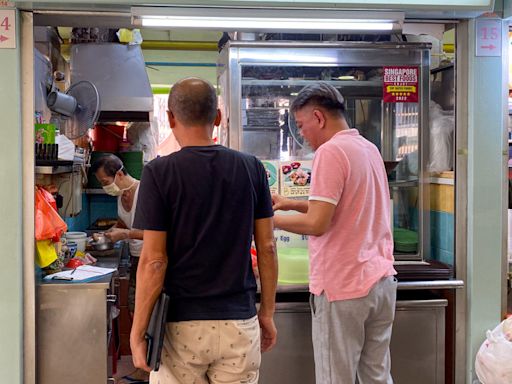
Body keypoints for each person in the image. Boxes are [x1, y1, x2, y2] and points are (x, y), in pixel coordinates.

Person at [130, 77, 278, 384]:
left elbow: (155, 261)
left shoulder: (158, 173)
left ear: (170, 118)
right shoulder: (252, 168)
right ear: (219, 117)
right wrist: (267, 313)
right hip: (239, 321)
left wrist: (137, 330)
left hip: (181, 327)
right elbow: (267, 247)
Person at [273, 82, 397, 384]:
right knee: (376, 375)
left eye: (301, 126)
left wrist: (269, 220)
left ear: (319, 117)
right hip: (381, 282)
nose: (301, 134)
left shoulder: (330, 152)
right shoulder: (368, 149)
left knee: (335, 378)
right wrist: (290, 203)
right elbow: (342, 208)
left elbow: (318, 224)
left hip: (344, 287)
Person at [91, 154, 144, 315]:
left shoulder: (145, 192)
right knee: (134, 308)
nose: (105, 187)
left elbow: (160, 234)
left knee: (144, 311)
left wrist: (125, 235)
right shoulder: (120, 194)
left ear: (119, 174)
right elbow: (123, 223)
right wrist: (106, 234)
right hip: (137, 259)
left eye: (105, 182)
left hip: (152, 259)